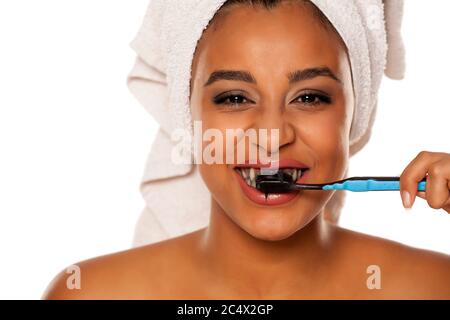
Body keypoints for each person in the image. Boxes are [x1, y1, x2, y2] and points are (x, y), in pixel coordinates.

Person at [42, 0, 450, 299]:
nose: (272, 135)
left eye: (309, 97)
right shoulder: (90, 294)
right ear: (188, 118)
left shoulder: (432, 288)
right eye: (234, 98)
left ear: (355, 113)